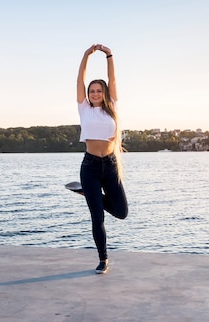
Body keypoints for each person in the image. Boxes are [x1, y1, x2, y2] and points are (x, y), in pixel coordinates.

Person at [76, 44, 128, 274]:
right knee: (97, 217)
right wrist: (86, 55)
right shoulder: (84, 109)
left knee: (121, 212)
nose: (95, 94)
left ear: (105, 93)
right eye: (91, 91)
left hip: (110, 165)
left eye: (99, 91)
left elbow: (113, 78)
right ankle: (103, 258)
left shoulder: (113, 107)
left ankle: (87, 193)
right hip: (90, 167)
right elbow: (80, 79)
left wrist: (109, 55)